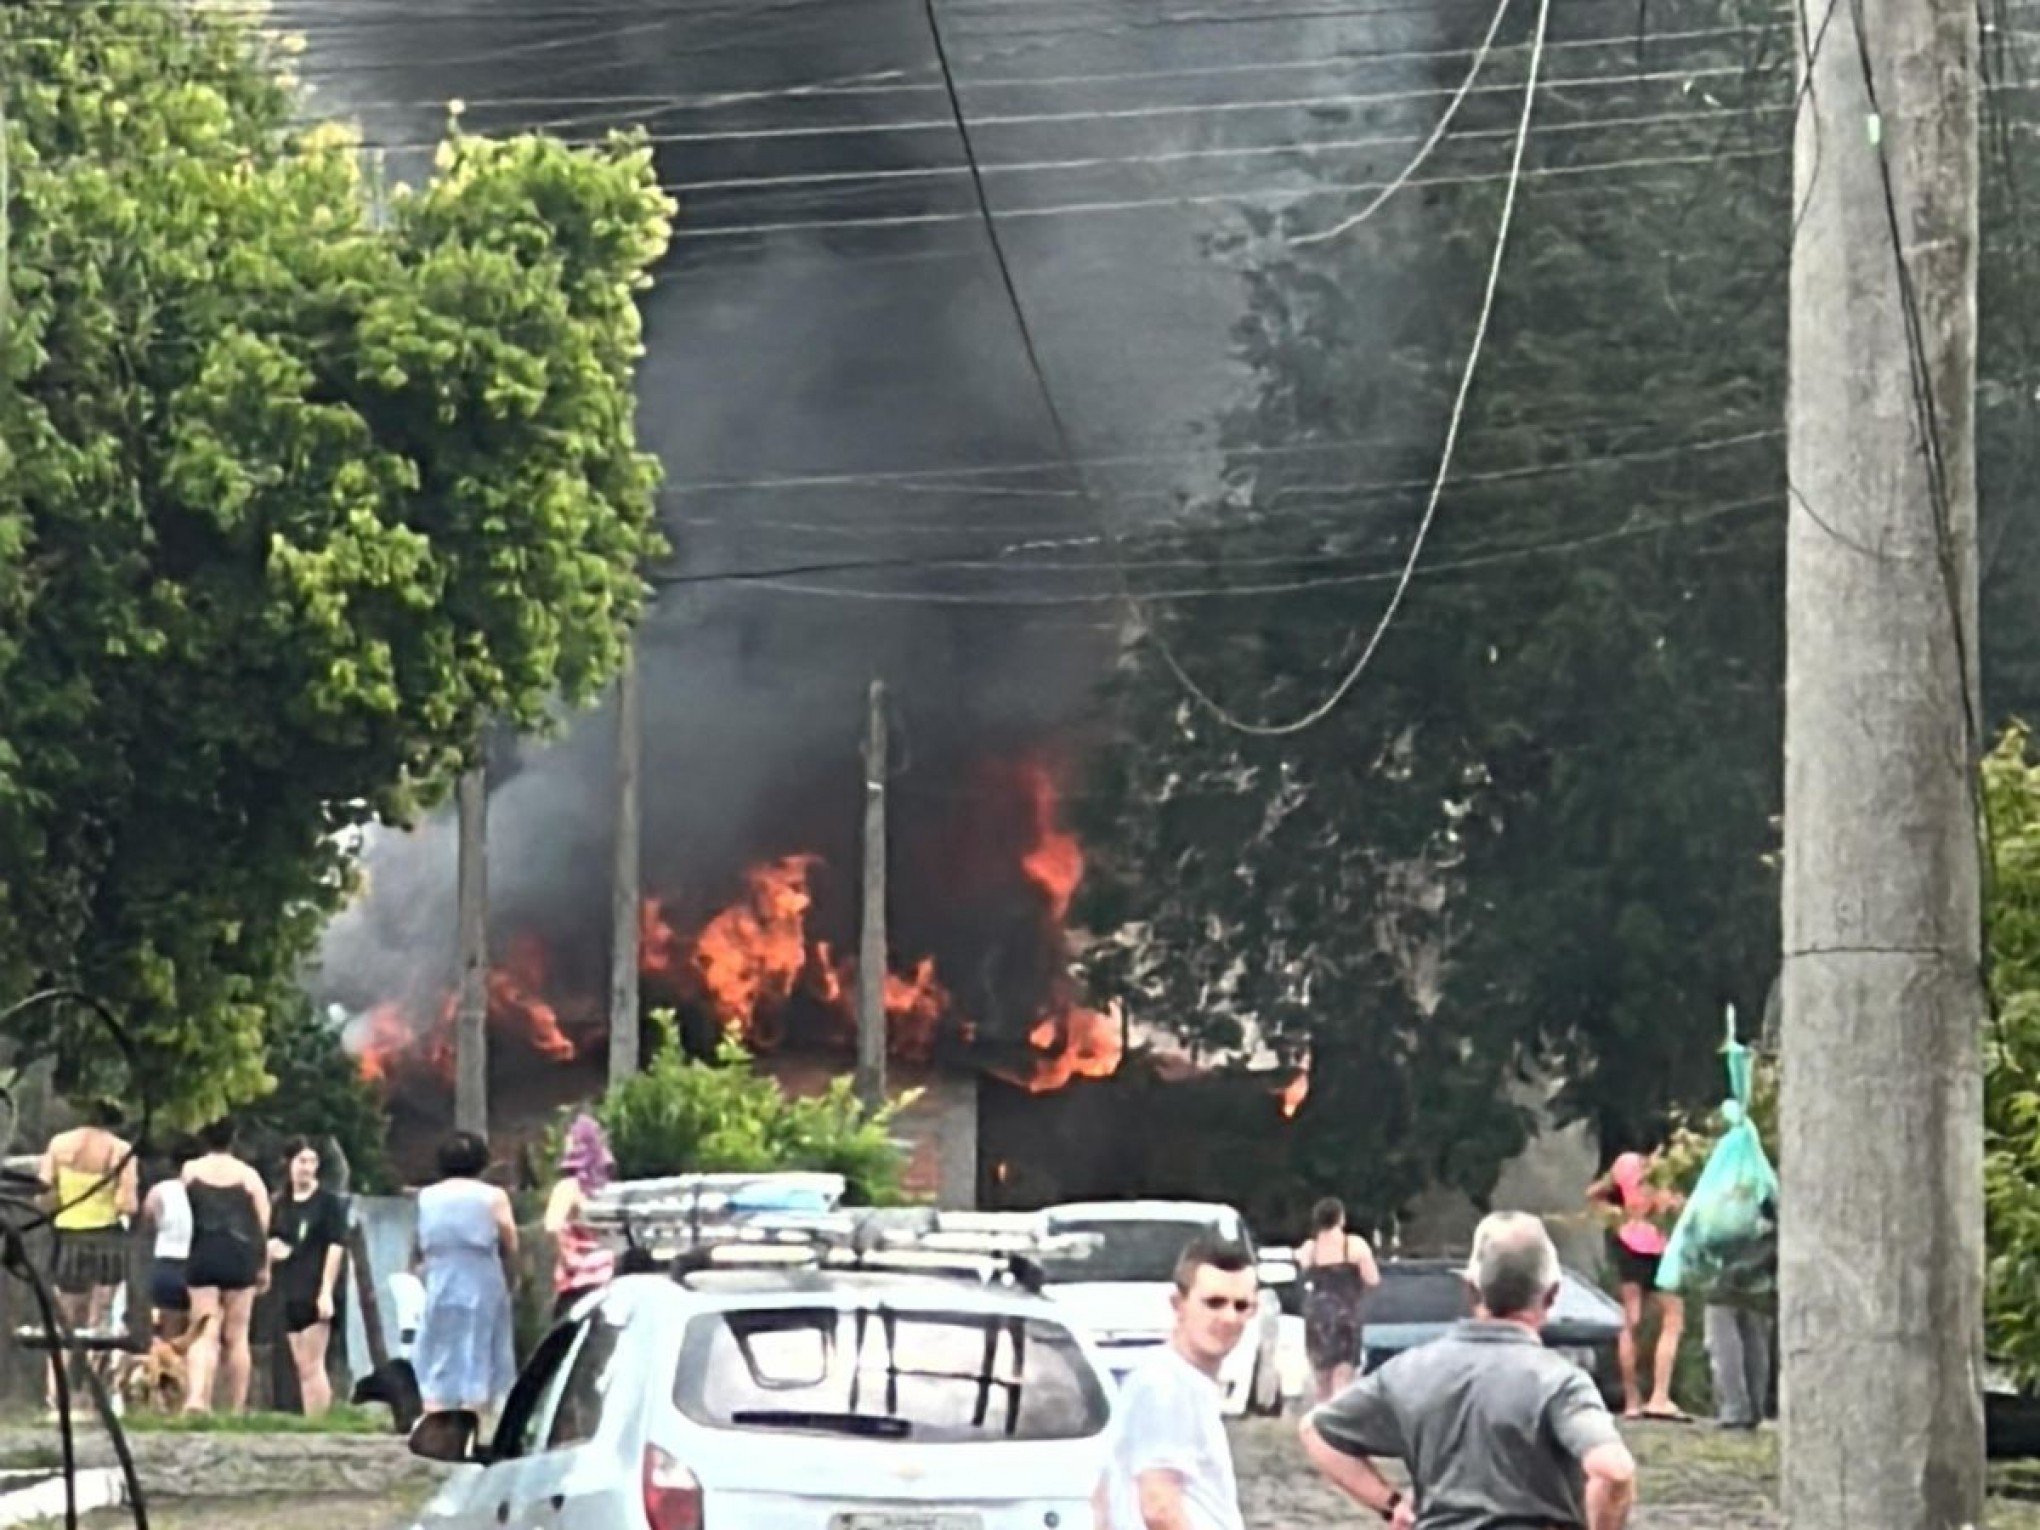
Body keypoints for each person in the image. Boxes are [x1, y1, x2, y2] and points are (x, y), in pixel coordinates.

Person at [1300, 1211, 1638, 1530]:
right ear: (1551, 1295)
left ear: (1471, 1289)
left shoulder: (1410, 1370)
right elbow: (1614, 1469)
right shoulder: (1559, 1382)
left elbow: (1316, 1430)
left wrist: (1392, 1505)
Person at [1094, 1234, 1255, 1530]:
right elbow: (1159, 1506)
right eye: (1214, 1302)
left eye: (1241, 1305)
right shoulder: (1165, 1385)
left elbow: (1104, 1497)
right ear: (1178, 1304)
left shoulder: (1174, 1380)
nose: (1229, 1317)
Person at [40, 1106, 139, 1412]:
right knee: (100, 1321)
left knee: (65, 1321)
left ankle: (57, 1393)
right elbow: (127, 1203)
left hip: (67, 1236)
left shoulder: (59, 1145)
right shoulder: (120, 1150)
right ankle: (92, 1395)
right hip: (105, 1240)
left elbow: (44, 1194)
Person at [413, 1130, 518, 1419]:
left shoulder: (427, 1197)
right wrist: (514, 1269)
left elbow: (418, 1242)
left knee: (439, 1344)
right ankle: (473, 1412)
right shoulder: (493, 1196)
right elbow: (509, 1236)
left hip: (440, 1276)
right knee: (481, 1344)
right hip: (481, 1275)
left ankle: (434, 1409)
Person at [1588, 1152, 1688, 1421]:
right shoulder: (1660, 1168)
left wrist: (1616, 1215)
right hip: (1657, 1246)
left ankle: (1632, 1401)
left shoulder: (1624, 1163)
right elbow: (1668, 1205)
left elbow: (1595, 1192)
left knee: (1630, 1320)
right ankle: (1660, 1396)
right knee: (1673, 1318)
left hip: (1628, 1242)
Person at [181, 1120, 271, 1414]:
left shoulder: (191, 1171)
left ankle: (198, 1398)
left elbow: (180, 1213)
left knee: (203, 1330)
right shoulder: (248, 1176)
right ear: (234, 1138)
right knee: (238, 1335)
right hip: (240, 1257)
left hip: (203, 1252)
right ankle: (235, 1407)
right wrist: (264, 1266)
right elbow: (263, 1223)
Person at [270, 1137, 350, 1417]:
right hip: (289, 1287)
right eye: (301, 1161)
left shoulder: (328, 1204)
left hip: (315, 1286)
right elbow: (273, 1237)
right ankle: (310, 1415)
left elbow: (335, 1245)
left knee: (312, 1363)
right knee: (300, 1361)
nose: (306, 1168)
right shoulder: (280, 1203)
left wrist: (326, 1290)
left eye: (312, 1162)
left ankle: (320, 1417)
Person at [1296, 1197, 1381, 1403]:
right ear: (1340, 1219)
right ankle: (1339, 1427)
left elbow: (1304, 1273)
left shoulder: (1309, 1248)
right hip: (1345, 1316)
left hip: (1317, 1318)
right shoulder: (1354, 1245)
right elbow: (1373, 1279)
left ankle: (1321, 1426)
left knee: (1322, 1382)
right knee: (1343, 1379)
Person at [543, 1114, 616, 1321]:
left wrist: (568, 1258)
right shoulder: (606, 1189)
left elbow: (551, 1225)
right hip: (608, 1273)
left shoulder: (568, 1187)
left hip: (578, 1280)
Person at [139, 1150, 193, 1340]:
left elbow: (147, 1222)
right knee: (200, 1334)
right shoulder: (207, 1190)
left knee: (170, 1334)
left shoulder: (160, 1190)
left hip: (166, 1263)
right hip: (198, 1264)